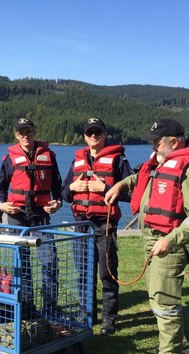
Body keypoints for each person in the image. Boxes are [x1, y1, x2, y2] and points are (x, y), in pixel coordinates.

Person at [104, 119, 189, 354]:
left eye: (157, 142)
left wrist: (170, 240)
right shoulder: (163, 161)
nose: (153, 147)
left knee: (162, 299)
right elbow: (143, 177)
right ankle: (187, 343)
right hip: (153, 237)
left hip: (171, 242)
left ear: (174, 142)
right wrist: (121, 185)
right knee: (163, 293)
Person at [62, 117, 132, 335]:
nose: (94, 136)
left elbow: (131, 194)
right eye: (90, 133)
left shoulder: (118, 161)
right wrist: (73, 186)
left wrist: (106, 187)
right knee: (83, 273)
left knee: (107, 273)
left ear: (104, 135)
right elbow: (64, 194)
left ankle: (109, 320)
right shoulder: (77, 163)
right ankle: (86, 315)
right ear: (85, 137)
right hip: (81, 225)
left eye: (98, 132)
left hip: (105, 225)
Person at [0, 117, 63, 315]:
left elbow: (58, 186)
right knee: (22, 262)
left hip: (41, 215)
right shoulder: (9, 159)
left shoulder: (49, 156)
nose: (26, 135)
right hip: (17, 215)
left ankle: (50, 307)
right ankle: (26, 307)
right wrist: (2, 205)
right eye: (21, 132)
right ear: (16, 135)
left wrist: (57, 202)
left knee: (49, 261)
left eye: (29, 131)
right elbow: (0, 189)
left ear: (34, 132)